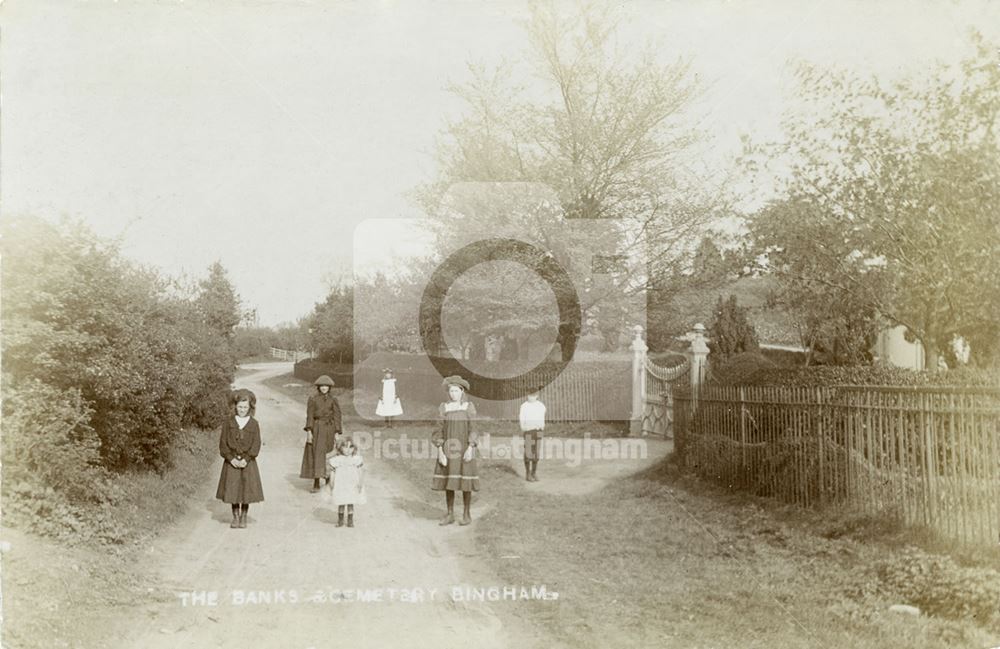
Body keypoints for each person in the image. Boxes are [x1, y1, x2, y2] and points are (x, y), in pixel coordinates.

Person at [432, 375, 478, 526]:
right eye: (451, 391)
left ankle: (466, 514)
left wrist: (470, 448)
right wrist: (440, 451)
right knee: (449, 482)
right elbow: (438, 430)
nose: (453, 394)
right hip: (448, 449)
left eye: (456, 391)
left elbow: (473, 429)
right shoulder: (444, 408)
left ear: (462, 392)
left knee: (465, 482)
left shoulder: (468, 407)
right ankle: (450, 513)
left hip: (464, 448)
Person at [216, 389, 264, 528]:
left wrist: (246, 459)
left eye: (245, 407)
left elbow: (256, 444)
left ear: (250, 407)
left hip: (247, 462)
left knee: (246, 491)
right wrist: (231, 459)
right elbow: (223, 443)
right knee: (233, 490)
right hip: (232, 462)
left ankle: (244, 517)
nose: (242, 410)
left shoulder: (254, 424)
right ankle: (235, 517)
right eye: (240, 407)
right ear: (235, 406)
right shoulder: (228, 423)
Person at [300, 375, 342, 493]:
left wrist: (337, 432)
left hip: (330, 428)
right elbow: (310, 416)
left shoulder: (333, 400)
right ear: (318, 387)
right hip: (317, 429)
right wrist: (309, 432)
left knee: (329, 454)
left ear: (329, 387)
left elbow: (337, 416)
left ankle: (329, 481)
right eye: (322, 386)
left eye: (326, 386)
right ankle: (316, 482)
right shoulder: (313, 399)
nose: (324, 388)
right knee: (317, 454)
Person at [326, 436, 366, 527]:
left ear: (354, 448)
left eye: (351, 447)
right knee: (341, 501)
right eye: (345, 447)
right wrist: (331, 483)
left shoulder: (355, 459)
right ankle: (340, 520)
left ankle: (350, 520)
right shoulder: (337, 460)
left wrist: (360, 482)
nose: (348, 450)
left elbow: (360, 471)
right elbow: (333, 472)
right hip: (341, 484)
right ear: (340, 448)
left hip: (352, 483)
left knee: (351, 501)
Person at [519, 386, 546, 482]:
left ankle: (534, 472)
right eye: (529, 395)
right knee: (528, 453)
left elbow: (542, 418)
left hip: (538, 431)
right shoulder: (524, 406)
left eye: (533, 395)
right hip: (529, 431)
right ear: (527, 395)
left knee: (536, 453)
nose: (531, 397)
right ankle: (528, 473)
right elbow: (522, 419)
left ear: (537, 396)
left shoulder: (541, 406)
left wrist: (541, 427)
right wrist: (525, 429)